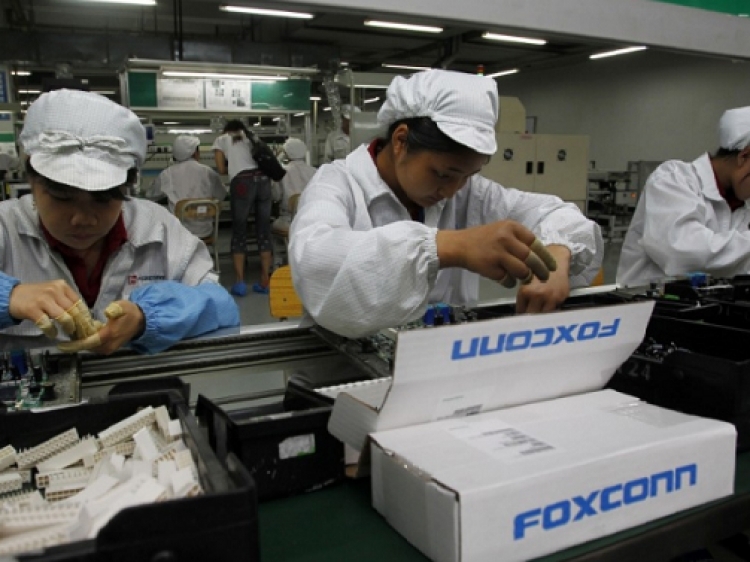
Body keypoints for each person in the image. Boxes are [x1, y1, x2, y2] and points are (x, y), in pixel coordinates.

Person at [290, 69, 603, 338]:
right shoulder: (336, 183)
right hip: (340, 374)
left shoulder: (471, 193)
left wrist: (558, 252)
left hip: (438, 365)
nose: (452, 191)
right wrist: (449, 246)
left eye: (467, 176)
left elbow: (557, 214)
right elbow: (317, 263)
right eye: (442, 174)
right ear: (400, 141)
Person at [0, 89, 240, 355]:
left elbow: (222, 305)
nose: (83, 219)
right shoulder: (5, 227)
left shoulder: (156, 227)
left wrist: (147, 317)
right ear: (31, 180)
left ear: (127, 186)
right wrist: (9, 297)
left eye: (103, 199)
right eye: (62, 197)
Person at [617, 106, 750, 287]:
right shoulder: (674, 179)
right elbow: (682, 253)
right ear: (744, 156)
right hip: (647, 302)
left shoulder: (742, 203)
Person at [212, 120, 273, 296]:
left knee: (240, 231)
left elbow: (221, 168)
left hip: (242, 183)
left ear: (227, 130)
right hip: (264, 181)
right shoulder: (252, 137)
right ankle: (264, 281)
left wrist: (233, 166)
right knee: (264, 230)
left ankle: (240, 282)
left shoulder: (222, 139)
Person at [147, 135, 227, 238]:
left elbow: (151, 195)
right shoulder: (208, 172)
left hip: (179, 232)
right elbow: (221, 195)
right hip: (205, 231)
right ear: (195, 153)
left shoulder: (167, 174)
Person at [272, 138, 317, 232]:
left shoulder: (282, 173)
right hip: (311, 218)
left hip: (288, 220)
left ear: (286, 154)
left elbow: (275, 196)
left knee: (272, 224)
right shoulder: (314, 171)